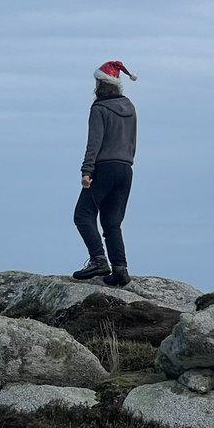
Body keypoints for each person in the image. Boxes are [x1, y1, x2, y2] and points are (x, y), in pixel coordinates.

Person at [72, 60, 138, 287]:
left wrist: (87, 171)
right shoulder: (130, 107)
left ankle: (98, 260)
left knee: (82, 215)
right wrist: (126, 163)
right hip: (126, 170)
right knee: (112, 222)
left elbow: (94, 142)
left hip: (104, 168)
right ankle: (120, 270)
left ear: (100, 84)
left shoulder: (99, 108)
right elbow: (132, 141)